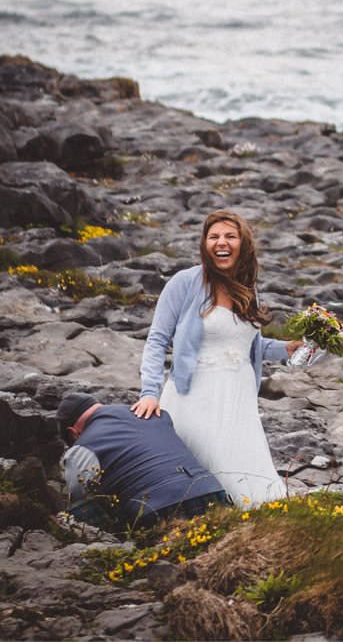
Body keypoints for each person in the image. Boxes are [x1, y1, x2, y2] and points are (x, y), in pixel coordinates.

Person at [134, 209, 303, 507]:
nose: (220, 242)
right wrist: (149, 393)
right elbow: (157, 340)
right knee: (207, 473)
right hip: (196, 397)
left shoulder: (247, 288)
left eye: (229, 236)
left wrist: (285, 349)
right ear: (204, 243)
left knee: (248, 477)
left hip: (239, 399)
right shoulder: (184, 283)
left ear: (243, 244)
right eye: (213, 236)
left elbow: (246, 344)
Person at [55, 389, 228, 531]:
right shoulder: (152, 412)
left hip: (158, 510)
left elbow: (78, 494)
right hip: (212, 493)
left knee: (74, 513)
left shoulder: (83, 446)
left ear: (73, 432)